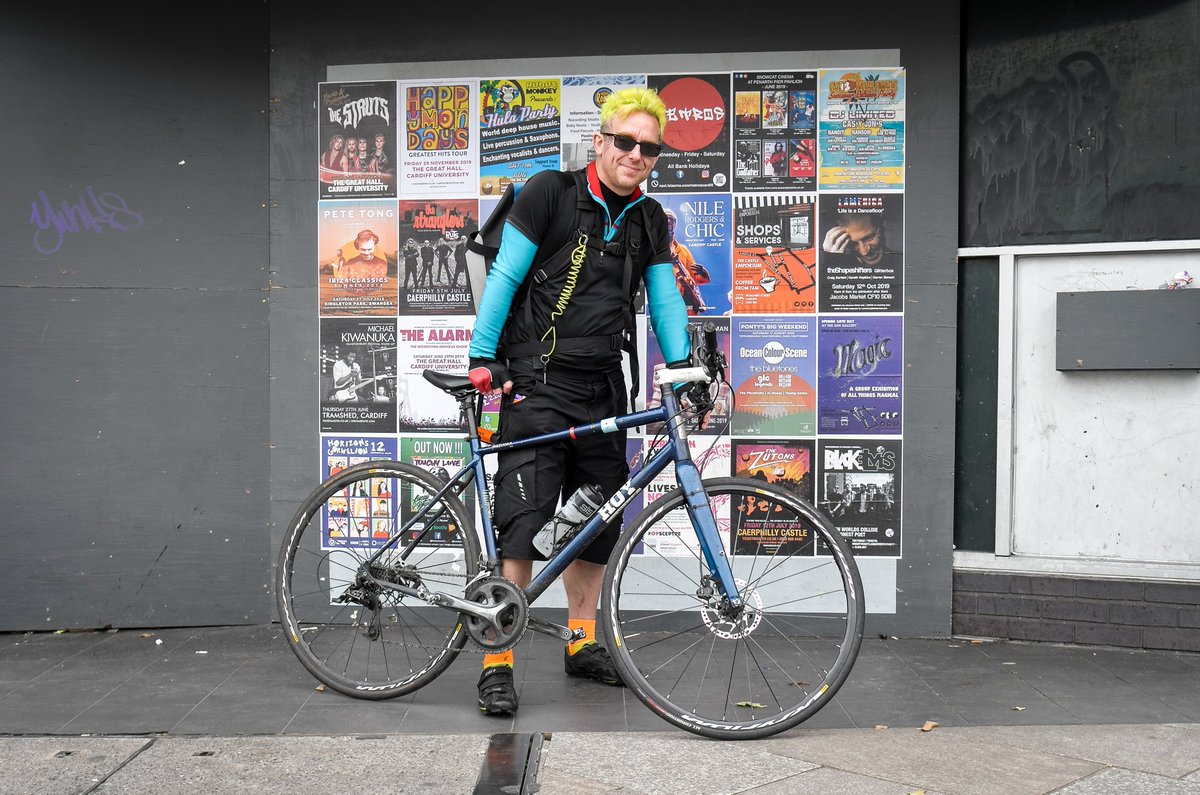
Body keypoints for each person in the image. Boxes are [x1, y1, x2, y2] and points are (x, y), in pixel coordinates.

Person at [466, 87, 690, 717]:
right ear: (600, 141)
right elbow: (508, 275)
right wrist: (485, 358)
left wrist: (681, 368)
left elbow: (664, 297)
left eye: (650, 147)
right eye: (626, 141)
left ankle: (581, 640)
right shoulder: (549, 193)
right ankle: (497, 657)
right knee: (525, 520)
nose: (637, 154)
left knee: (598, 519)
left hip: (602, 390)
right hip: (536, 386)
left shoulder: (649, 219)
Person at [664, 209, 710, 313]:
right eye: (666, 219)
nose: (669, 222)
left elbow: (694, 277)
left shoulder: (682, 250)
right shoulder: (653, 247)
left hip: (686, 303)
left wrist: (701, 272)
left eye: (672, 220)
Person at [821, 211, 900, 269]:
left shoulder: (902, 264)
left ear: (882, 225)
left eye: (868, 238)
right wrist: (831, 262)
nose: (864, 252)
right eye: (853, 243)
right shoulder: (837, 264)